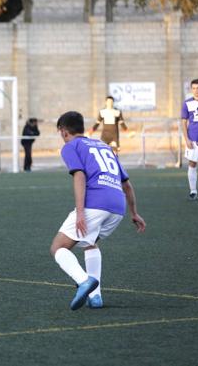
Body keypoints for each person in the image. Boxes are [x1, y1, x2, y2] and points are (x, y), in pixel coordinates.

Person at [51, 111, 145, 310]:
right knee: (90, 243)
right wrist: (134, 213)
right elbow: (127, 185)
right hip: (117, 207)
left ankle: (84, 281)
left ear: (63, 131)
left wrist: (80, 213)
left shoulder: (71, 146)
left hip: (96, 203)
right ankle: (95, 297)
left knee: (58, 247)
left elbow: (79, 176)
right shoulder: (103, 146)